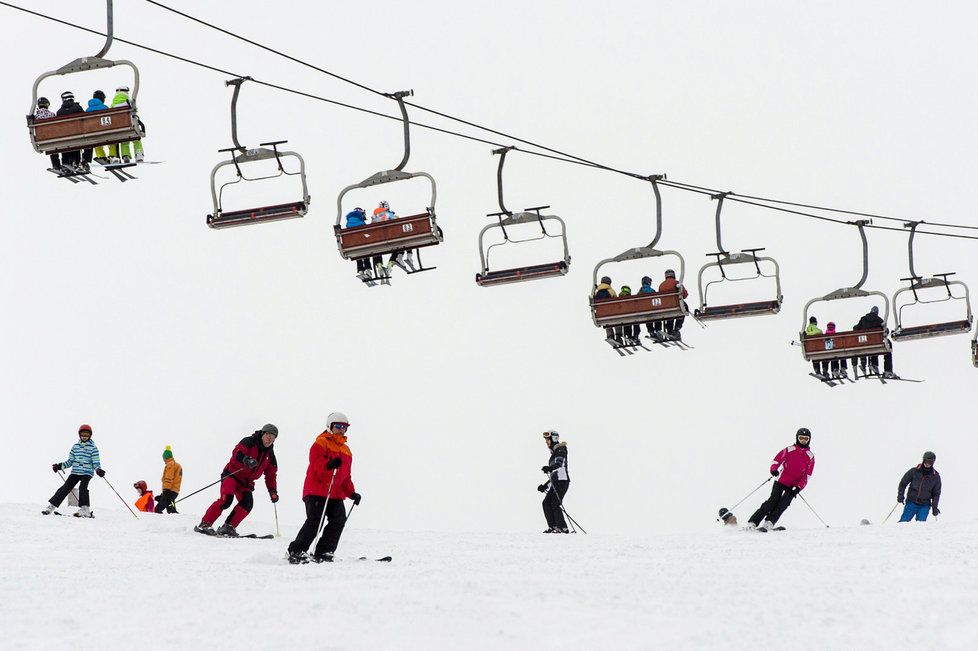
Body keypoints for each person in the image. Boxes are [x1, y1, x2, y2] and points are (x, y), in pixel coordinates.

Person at [287, 412, 360, 563]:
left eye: (344, 427)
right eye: (338, 426)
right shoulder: (321, 443)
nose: (341, 429)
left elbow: (346, 476)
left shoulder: (347, 451)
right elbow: (316, 466)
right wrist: (328, 465)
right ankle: (297, 550)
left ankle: (324, 551)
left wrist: (351, 493)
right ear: (330, 426)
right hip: (317, 490)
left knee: (339, 520)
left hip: (336, 493)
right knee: (315, 521)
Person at [196, 424, 279, 537]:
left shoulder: (270, 454)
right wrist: (246, 459)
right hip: (232, 475)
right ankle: (205, 524)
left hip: (246, 482)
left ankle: (228, 527)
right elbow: (237, 453)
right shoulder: (249, 441)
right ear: (262, 434)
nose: (270, 438)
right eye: (268, 435)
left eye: (273, 437)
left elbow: (271, 474)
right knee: (226, 500)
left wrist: (272, 491)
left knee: (247, 504)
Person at [747, 428, 815, 531]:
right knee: (773, 501)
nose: (803, 441)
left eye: (806, 439)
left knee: (783, 504)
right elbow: (776, 460)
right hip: (781, 481)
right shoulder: (789, 449)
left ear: (809, 440)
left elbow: (807, 475)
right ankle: (753, 522)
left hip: (793, 486)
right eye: (801, 438)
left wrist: (798, 487)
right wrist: (774, 470)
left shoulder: (810, 456)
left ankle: (769, 523)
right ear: (797, 438)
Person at [43, 424, 106, 517]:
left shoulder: (93, 448)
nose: (84, 437)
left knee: (83, 488)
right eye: (83, 434)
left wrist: (98, 470)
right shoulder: (75, 447)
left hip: (87, 472)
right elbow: (70, 461)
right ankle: (51, 506)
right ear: (79, 435)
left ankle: (85, 509)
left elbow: (96, 462)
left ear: (90, 435)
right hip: (75, 472)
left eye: (86, 435)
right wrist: (60, 466)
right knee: (65, 487)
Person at [538, 430, 570, 533]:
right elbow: (554, 474)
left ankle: (563, 527)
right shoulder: (554, 453)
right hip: (557, 481)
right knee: (546, 503)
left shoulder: (560, 449)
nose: (546, 442)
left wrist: (549, 468)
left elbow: (559, 464)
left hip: (562, 481)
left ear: (554, 439)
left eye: (548, 440)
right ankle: (554, 526)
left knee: (554, 503)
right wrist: (545, 486)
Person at [898, 451, 941, 522]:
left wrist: (934, 507)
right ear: (923, 460)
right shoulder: (914, 471)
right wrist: (900, 496)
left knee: (920, 525)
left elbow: (936, 494)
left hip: (924, 505)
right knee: (903, 522)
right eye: (926, 461)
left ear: (933, 463)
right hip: (911, 502)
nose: (927, 463)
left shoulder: (935, 477)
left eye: (930, 462)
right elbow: (903, 483)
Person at [853, 306, 895, 378]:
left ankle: (869, 363)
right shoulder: (879, 320)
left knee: (871, 344)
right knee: (887, 345)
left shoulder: (863, 319)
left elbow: (856, 328)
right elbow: (885, 330)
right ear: (877, 313)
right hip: (876, 344)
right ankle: (885, 369)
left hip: (864, 343)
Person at [107, 86, 145, 163]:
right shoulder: (130, 102)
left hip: (120, 129)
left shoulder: (113, 105)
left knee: (124, 141)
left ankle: (125, 155)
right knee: (136, 138)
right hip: (131, 126)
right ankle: (139, 153)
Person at [55, 91, 86, 172]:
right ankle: (77, 162)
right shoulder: (78, 108)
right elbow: (84, 120)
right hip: (77, 134)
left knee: (65, 145)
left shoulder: (59, 112)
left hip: (64, 137)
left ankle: (66, 164)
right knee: (77, 144)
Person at [33, 97, 62, 172]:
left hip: (42, 139)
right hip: (54, 137)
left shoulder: (36, 117)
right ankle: (67, 163)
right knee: (55, 145)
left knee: (52, 148)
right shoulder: (51, 114)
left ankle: (56, 165)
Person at [657, 269, 689, 340]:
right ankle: (676, 328)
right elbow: (685, 295)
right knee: (684, 309)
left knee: (669, 316)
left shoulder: (661, 285)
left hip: (665, 306)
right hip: (676, 304)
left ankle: (669, 330)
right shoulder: (677, 283)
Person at [155, 445, 182, 514]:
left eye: (163, 458)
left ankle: (158, 519)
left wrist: (166, 490)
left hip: (169, 490)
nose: (163, 460)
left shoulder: (170, 464)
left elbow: (168, 477)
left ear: (166, 457)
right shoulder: (177, 465)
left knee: (158, 509)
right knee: (170, 508)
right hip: (175, 490)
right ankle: (174, 518)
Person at [85, 90, 110, 164]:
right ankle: (113, 155)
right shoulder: (104, 107)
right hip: (105, 130)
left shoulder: (88, 110)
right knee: (113, 141)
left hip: (93, 132)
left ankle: (101, 156)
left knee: (95, 141)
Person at [594, 276, 622, 343]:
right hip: (612, 312)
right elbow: (616, 301)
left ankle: (610, 335)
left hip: (602, 315)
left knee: (606, 322)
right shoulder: (611, 291)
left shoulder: (597, 292)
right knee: (617, 321)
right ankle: (618, 336)